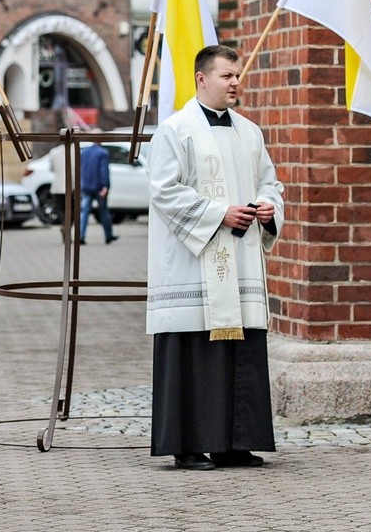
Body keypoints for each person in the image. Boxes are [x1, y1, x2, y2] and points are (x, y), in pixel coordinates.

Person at [145, 44, 284, 471]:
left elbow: (271, 181)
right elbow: (164, 191)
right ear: (201, 79)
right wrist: (217, 213)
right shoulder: (175, 130)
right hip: (192, 266)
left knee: (241, 351)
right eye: (226, 76)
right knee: (192, 351)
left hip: (238, 263)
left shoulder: (249, 131)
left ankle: (235, 442)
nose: (235, 83)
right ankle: (186, 445)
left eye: (237, 75)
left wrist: (266, 205)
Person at [79, 140, 118, 244]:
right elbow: (104, 170)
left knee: (84, 212)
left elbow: (81, 169)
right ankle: (108, 235)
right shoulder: (103, 152)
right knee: (103, 212)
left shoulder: (84, 152)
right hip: (99, 187)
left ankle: (80, 236)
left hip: (86, 186)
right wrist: (105, 186)